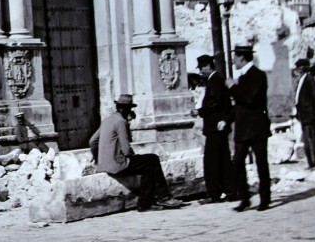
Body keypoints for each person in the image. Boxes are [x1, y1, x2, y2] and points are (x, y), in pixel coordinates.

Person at [89, 94, 186, 212]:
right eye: (130, 109)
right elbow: (126, 149)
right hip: (118, 164)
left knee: (148, 168)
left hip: (104, 165)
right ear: (127, 109)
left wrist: (98, 159)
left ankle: (145, 204)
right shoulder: (121, 121)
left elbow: (92, 141)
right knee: (153, 159)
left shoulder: (107, 120)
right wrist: (134, 156)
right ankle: (163, 197)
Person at [228, 44, 272, 211]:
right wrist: (228, 119)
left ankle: (265, 199)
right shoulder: (244, 76)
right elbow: (239, 105)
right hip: (243, 127)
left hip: (256, 127)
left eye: (234, 57)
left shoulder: (257, 75)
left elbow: (249, 99)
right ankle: (244, 198)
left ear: (241, 57)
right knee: (238, 161)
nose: (233, 61)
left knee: (261, 163)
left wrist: (232, 87)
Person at [192, 55, 234, 203]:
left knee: (211, 161)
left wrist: (200, 111)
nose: (201, 72)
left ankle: (214, 193)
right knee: (224, 159)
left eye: (202, 68)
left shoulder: (214, 80)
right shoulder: (218, 79)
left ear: (208, 66)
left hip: (214, 128)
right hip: (219, 126)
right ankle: (230, 190)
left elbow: (214, 103)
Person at [292, 58, 315, 169]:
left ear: (302, 68)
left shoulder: (309, 79)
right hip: (303, 114)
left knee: (311, 139)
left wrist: (312, 112)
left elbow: (314, 96)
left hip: (309, 115)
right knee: (306, 140)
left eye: (298, 68)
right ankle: (311, 162)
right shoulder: (302, 79)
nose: (296, 70)